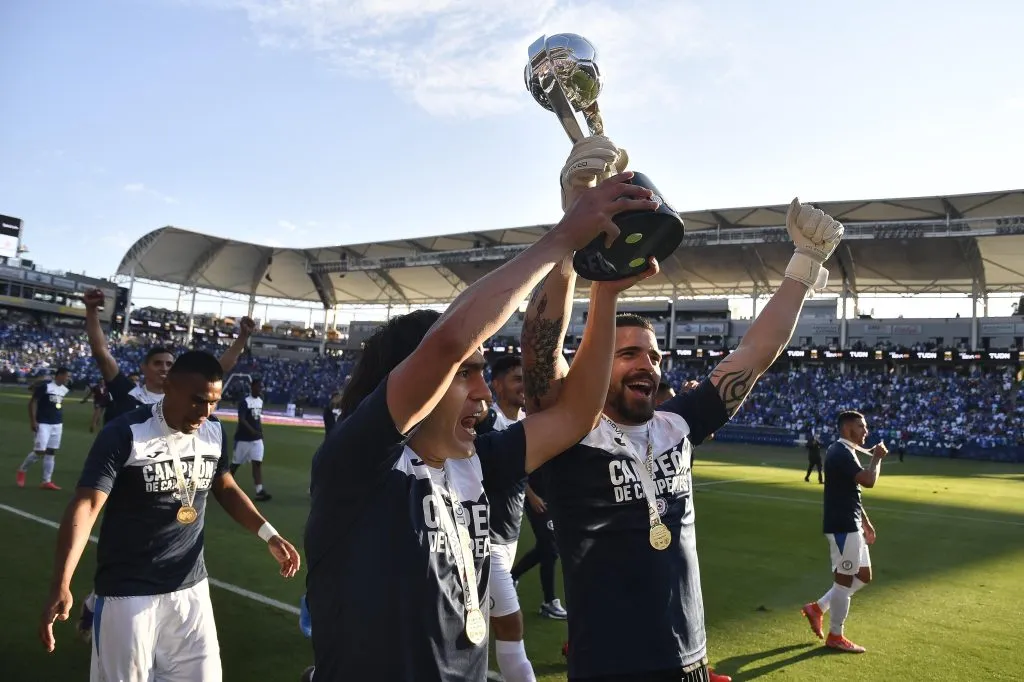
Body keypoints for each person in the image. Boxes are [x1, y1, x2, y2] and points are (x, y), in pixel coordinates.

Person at [303, 173, 661, 682]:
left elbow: (575, 415)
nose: (485, 393)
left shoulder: (474, 465)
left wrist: (603, 295)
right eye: (465, 374)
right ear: (408, 379)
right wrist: (562, 237)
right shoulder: (355, 467)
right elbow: (447, 342)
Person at [521, 134, 845, 682]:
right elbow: (539, 347)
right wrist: (573, 226)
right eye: (627, 354)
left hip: (691, 662)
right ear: (593, 364)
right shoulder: (565, 435)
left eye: (652, 355)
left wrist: (803, 265)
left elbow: (753, 354)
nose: (646, 365)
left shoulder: (675, 426)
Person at [38, 351, 301, 681]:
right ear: (170, 387)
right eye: (197, 400)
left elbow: (225, 486)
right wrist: (61, 583)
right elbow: (87, 505)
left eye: (214, 402)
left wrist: (268, 533)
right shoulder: (127, 432)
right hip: (128, 592)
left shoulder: (213, 432)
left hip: (191, 589)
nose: (205, 412)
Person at [76, 290, 255, 640]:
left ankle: (103, 605)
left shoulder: (191, 404)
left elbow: (221, 368)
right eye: (157, 363)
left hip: (179, 482)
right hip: (134, 479)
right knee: (133, 549)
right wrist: (92, 312)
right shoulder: (129, 396)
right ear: (145, 369)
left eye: (169, 364)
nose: (163, 368)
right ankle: (102, 603)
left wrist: (243, 338)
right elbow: (101, 353)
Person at [474, 355, 540, 681]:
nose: (523, 386)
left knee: (475, 625)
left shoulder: (528, 422)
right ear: (496, 385)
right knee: (510, 624)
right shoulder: (489, 420)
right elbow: (482, 418)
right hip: (483, 540)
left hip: (508, 538)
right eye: (517, 379)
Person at [801, 410, 888, 654]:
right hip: (842, 525)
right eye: (862, 427)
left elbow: (853, 492)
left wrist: (865, 522)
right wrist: (877, 458)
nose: (866, 431)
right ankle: (835, 635)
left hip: (852, 523)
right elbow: (868, 481)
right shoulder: (840, 452)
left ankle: (818, 608)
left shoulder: (847, 452)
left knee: (863, 576)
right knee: (844, 581)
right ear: (847, 428)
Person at [17, 367, 72, 490]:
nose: (68, 378)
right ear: (60, 375)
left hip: (57, 424)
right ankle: (22, 470)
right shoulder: (46, 387)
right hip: (43, 423)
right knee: (40, 451)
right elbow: (32, 402)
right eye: (67, 376)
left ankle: (46, 481)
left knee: (51, 452)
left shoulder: (64, 390)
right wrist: (33, 420)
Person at [230, 378, 271, 501]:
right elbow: (241, 419)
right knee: (235, 464)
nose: (260, 390)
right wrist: (252, 430)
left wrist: (259, 431)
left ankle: (259, 490)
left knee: (257, 463)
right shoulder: (245, 402)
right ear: (252, 387)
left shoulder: (260, 401)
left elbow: (257, 418)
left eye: (262, 387)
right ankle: (223, 484)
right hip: (243, 439)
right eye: (259, 387)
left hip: (257, 439)